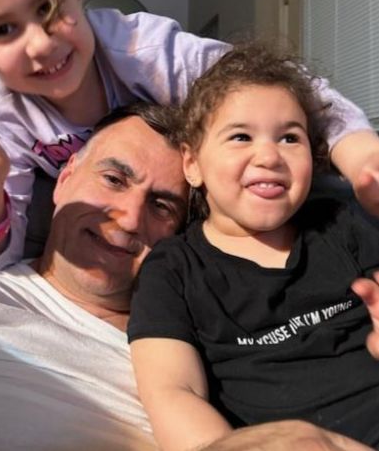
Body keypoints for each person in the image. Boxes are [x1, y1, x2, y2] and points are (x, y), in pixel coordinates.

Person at [0, 0, 379, 271]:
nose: (41, 43)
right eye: (3, 30)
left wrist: (360, 156)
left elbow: (282, 88)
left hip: (202, 196)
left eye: (47, 7)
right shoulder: (2, 118)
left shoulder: (145, 50)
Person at [0, 91, 372, 451]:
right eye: (113, 179)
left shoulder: (216, 345)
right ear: (64, 179)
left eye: (162, 206)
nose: (128, 218)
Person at [128, 43, 379, 451]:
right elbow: (172, 391)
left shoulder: (340, 224)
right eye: (241, 136)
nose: (269, 156)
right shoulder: (173, 270)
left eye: (290, 138)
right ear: (192, 164)